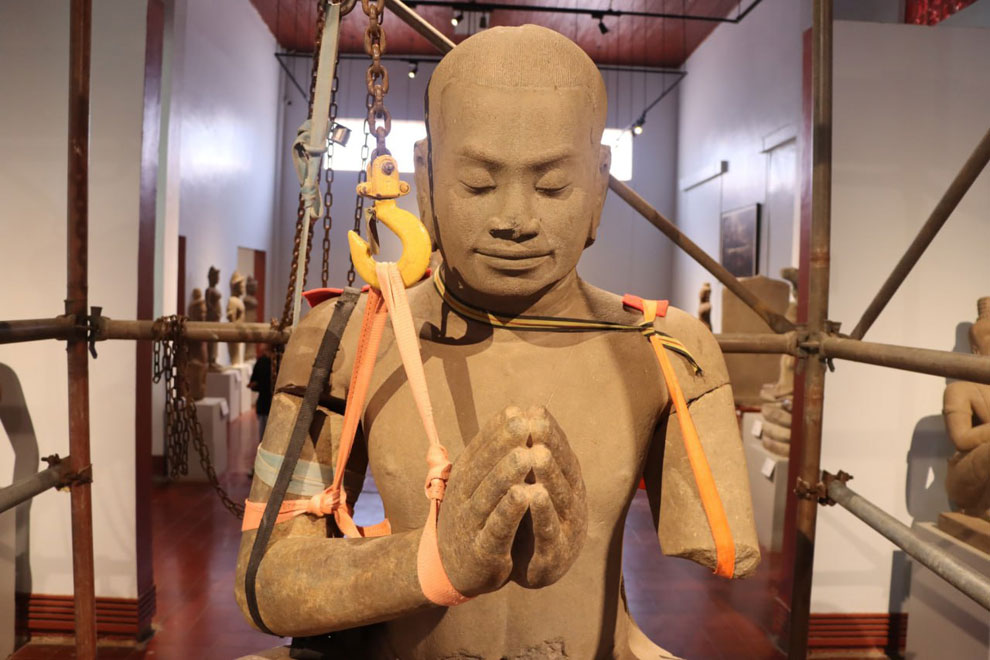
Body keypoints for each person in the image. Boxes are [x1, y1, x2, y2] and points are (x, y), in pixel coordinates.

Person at [235, 25, 758, 659]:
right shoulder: (350, 336)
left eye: (553, 186)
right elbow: (265, 582)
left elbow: (726, 552)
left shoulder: (666, 352)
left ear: (599, 184)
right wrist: (435, 559)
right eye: (478, 184)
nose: (515, 219)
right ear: (427, 179)